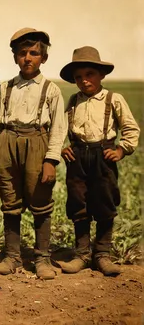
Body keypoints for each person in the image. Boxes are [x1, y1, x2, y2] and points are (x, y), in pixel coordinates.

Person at [58, 46, 140, 276]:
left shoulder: (114, 99)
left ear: (101, 75)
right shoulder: (73, 101)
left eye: (89, 74)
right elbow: (60, 128)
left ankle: (102, 254)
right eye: (78, 77)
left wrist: (122, 150)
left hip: (103, 156)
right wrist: (62, 148)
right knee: (78, 204)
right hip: (77, 157)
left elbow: (131, 128)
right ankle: (82, 254)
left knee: (105, 203)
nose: (84, 81)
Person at [0, 28, 64, 280]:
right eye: (22, 53)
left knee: (40, 202)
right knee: (10, 202)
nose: (28, 58)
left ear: (43, 58)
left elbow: (57, 129)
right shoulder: (6, 87)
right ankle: (12, 257)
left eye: (34, 53)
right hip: (7, 141)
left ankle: (42, 258)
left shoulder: (51, 90)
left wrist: (51, 160)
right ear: (15, 57)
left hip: (37, 142)